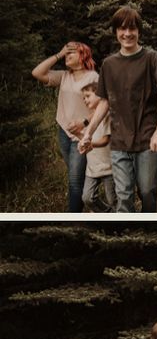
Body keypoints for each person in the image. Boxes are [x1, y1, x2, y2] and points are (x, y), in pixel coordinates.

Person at [78, 5, 157, 212]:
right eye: (122, 29)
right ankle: (126, 237)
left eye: (132, 29)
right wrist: (88, 133)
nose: (127, 34)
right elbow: (104, 102)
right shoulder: (109, 64)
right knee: (124, 197)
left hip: (148, 138)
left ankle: (148, 232)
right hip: (119, 140)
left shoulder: (152, 58)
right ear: (115, 32)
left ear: (139, 31)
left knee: (148, 192)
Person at [31, 39, 99, 211]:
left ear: (83, 55)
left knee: (75, 180)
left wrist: (83, 123)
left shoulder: (93, 77)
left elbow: (102, 108)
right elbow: (36, 73)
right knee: (74, 176)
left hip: (82, 134)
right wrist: (58, 54)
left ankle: (74, 216)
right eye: (66, 53)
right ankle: (88, 201)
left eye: (71, 52)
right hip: (63, 132)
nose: (67, 56)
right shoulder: (64, 76)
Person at [79, 81, 117, 210]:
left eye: (88, 96)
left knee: (113, 199)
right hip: (92, 167)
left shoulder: (106, 116)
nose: (85, 100)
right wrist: (81, 142)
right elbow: (85, 138)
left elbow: (105, 140)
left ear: (99, 94)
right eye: (83, 98)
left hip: (108, 166)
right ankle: (108, 215)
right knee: (87, 198)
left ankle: (120, 222)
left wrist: (90, 143)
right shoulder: (89, 121)